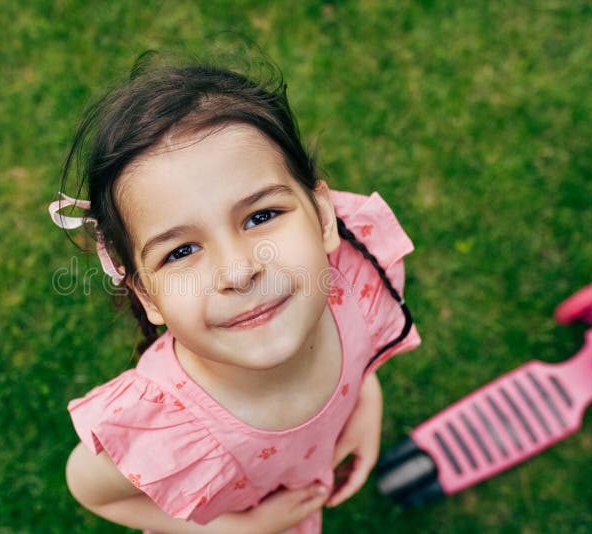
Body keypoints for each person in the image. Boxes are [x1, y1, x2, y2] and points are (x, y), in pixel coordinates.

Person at [49, 55, 421, 534]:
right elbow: (88, 487)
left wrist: (365, 401)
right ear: (148, 296)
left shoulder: (354, 283)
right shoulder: (169, 423)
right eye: (181, 250)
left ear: (324, 218)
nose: (239, 270)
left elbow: (360, 355)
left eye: (260, 216)